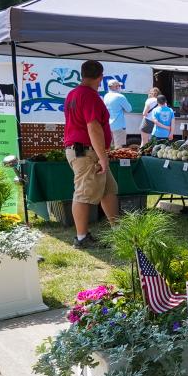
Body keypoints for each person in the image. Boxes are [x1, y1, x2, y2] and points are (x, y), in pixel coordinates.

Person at [63, 60, 119, 248]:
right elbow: (93, 127)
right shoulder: (89, 96)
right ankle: (81, 238)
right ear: (100, 77)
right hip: (86, 152)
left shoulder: (73, 93)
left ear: (82, 74)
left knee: (109, 189)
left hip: (84, 151)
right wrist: (102, 156)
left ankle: (118, 231)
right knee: (83, 194)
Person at [102, 79, 134, 148]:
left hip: (108, 125)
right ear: (115, 87)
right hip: (119, 125)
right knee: (119, 149)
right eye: (119, 86)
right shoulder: (120, 96)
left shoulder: (106, 96)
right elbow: (129, 109)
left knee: (110, 147)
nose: (119, 87)